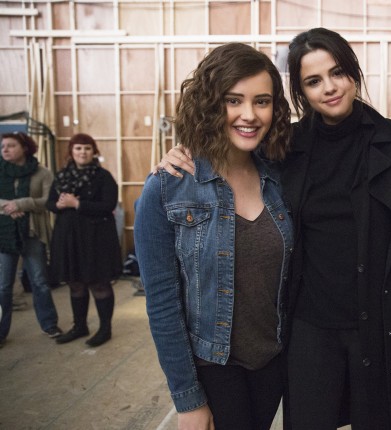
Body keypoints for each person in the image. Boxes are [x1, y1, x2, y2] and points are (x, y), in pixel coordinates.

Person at [157, 28, 391, 430]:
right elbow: (233, 155)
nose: (329, 87)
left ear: (353, 73)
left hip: (378, 326)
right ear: (301, 92)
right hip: (309, 326)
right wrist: (182, 154)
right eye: (313, 81)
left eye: (337, 72)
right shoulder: (282, 149)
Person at [134, 42, 294, 430]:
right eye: (233, 100)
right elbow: (162, 304)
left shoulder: (281, 178)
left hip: (272, 360)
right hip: (213, 366)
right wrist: (188, 399)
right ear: (209, 104)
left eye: (261, 101)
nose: (249, 115)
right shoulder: (167, 188)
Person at [47, 133, 122, 347]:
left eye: (87, 148)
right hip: (69, 238)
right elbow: (50, 202)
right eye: (78, 148)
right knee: (75, 282)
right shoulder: (62, 176)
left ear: (94, 152)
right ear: (71, 152)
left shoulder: (103, 176)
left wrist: (78, 204)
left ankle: (105, 329)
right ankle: (80, 326)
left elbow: (108, 205)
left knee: (99, 283)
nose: (83, 152)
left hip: (95, 239)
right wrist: (58, 205)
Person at [0, 132, 63, 348]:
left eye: (11, 145)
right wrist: (8, 207)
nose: (5, 150)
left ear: (24, 148)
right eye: (3, 146)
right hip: (5, 235)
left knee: (40, 281)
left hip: (32, 233)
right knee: (3, 286)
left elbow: (49, 200)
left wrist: (21, 204)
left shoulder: (41, 172)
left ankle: (49, 324)